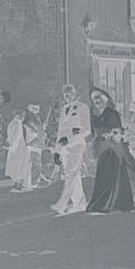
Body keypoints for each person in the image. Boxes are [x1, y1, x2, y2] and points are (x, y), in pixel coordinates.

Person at [51, 84, 91, 216]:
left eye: (70, 94)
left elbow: (87, 129)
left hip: (75, 146)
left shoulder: (82, 107)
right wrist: (57, 151)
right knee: (74, 175)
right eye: (65, 95)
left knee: (70, 174)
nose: (68, 97)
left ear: (75, 94)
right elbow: (60, 131)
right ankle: (80, 202)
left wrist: (69, 139)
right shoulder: (63, 109)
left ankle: (62, 203)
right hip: (64, 149)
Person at [86, 127, 135, 214]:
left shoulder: (115, 143)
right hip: (108, 163)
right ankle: (108, 203)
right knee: (108, 184)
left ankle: (118, 203)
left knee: (117, 182)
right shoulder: (103, 142)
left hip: (115, 162)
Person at [5, 108, 36, 192]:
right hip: (18, 148)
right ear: (18, 115)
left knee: (15, 166)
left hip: (13, 148)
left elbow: (10, 136)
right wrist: (11, 145)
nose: (23, 117)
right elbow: (16, 137)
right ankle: (19, 185)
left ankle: (16, 184)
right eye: (22, 115)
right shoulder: (18, 123)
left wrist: (9, 144)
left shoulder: (11, 123)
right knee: (21, 166)